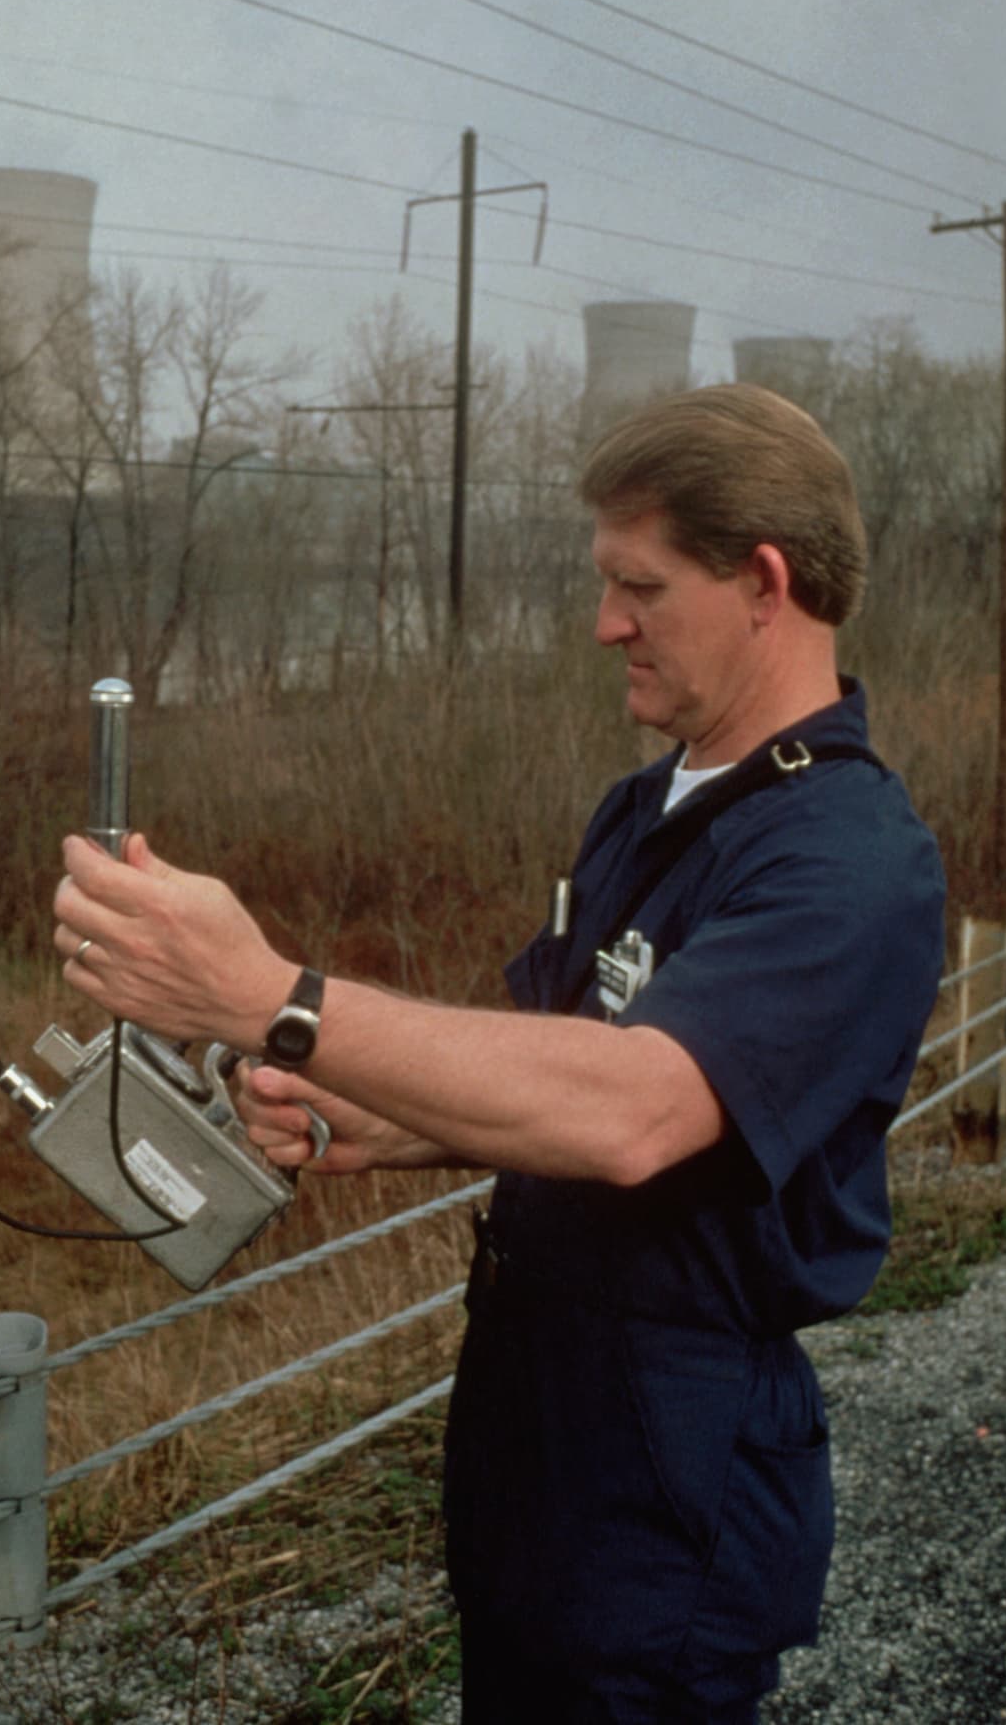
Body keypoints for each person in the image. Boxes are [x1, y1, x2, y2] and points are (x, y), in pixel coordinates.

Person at [53, 384, 946, 1723]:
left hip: (673, 1501)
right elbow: (557, 1065)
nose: (606, 626)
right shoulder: (641, 810)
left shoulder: (850, 860)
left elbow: (637, 1110)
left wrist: (272, 999)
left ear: (765, 581)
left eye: (639, 587)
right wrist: (379, 1116)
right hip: (534, 1466)